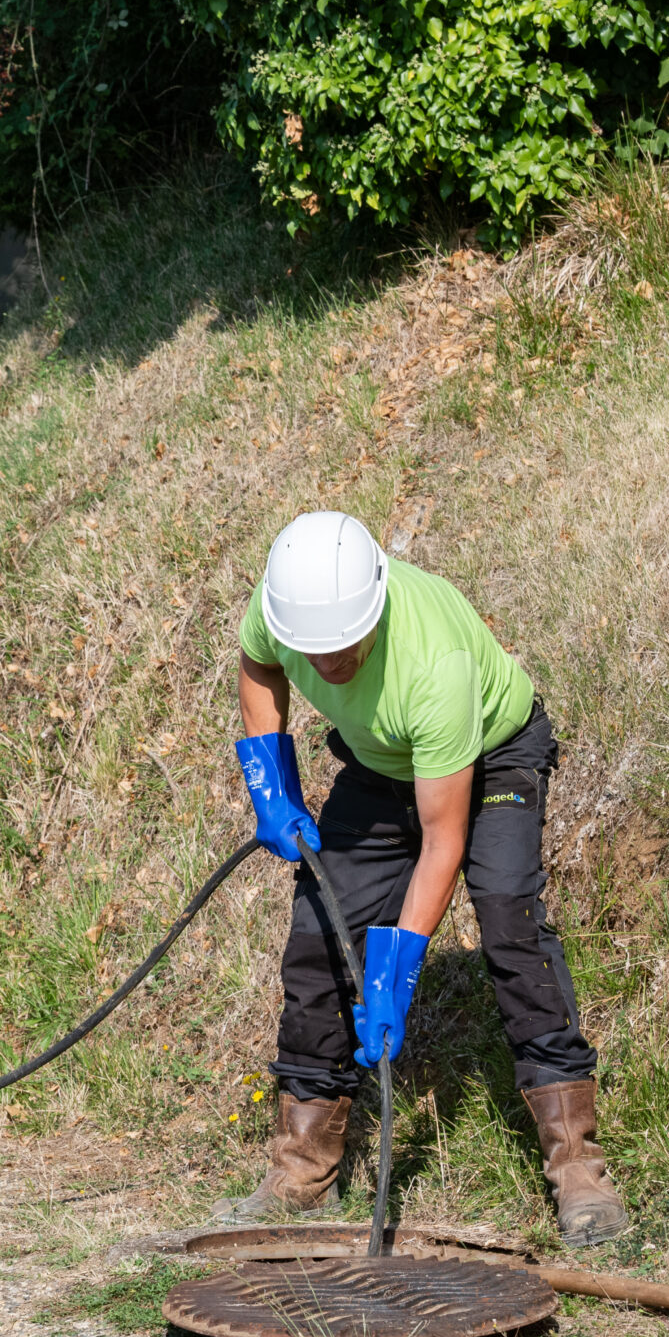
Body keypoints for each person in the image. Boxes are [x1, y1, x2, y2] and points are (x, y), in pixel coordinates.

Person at [219, 510, 627, 1247]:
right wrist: (270, 784)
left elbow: (443, 842)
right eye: (317, 649)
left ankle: (579, 1168)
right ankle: (302, 1168)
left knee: (509, 920)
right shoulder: (287, 606)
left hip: (494, 749)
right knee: (318, 934)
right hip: (382, 762)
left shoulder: (432, 663)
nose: (330, 661)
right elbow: (259, 663)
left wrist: (396, 972)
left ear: (372, 610)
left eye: (343, 646)